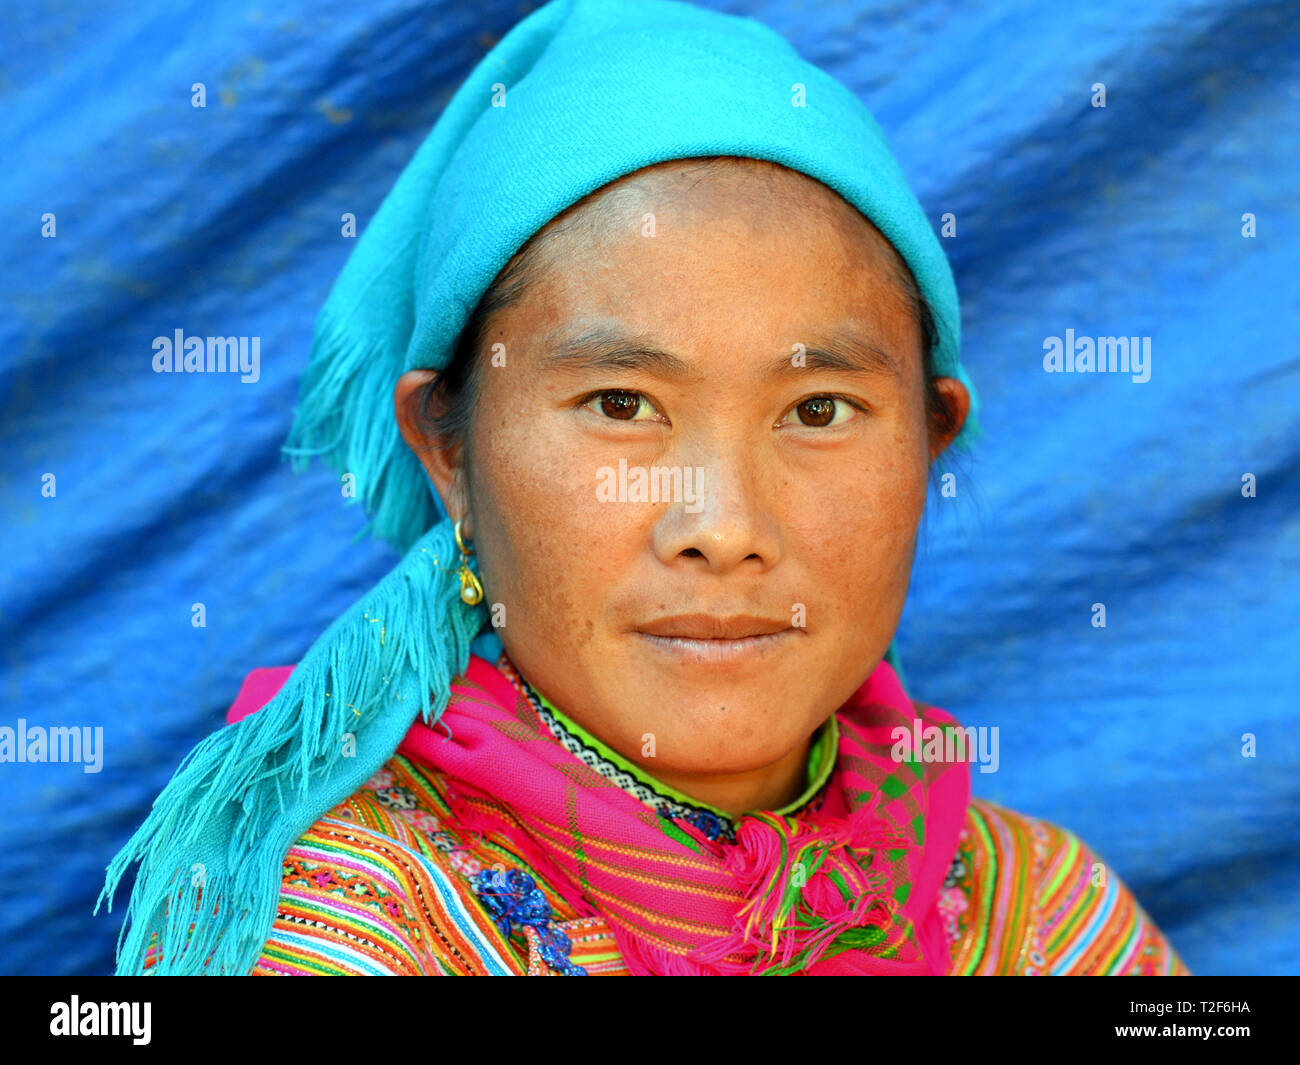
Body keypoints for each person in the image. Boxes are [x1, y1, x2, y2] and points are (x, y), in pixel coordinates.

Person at [98, 0, 1188, 976]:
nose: (722, 529)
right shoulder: (342, 925)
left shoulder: (1037, 912)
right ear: (449, 449)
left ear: (929, 441)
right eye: (620, 404)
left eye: (817, 411)